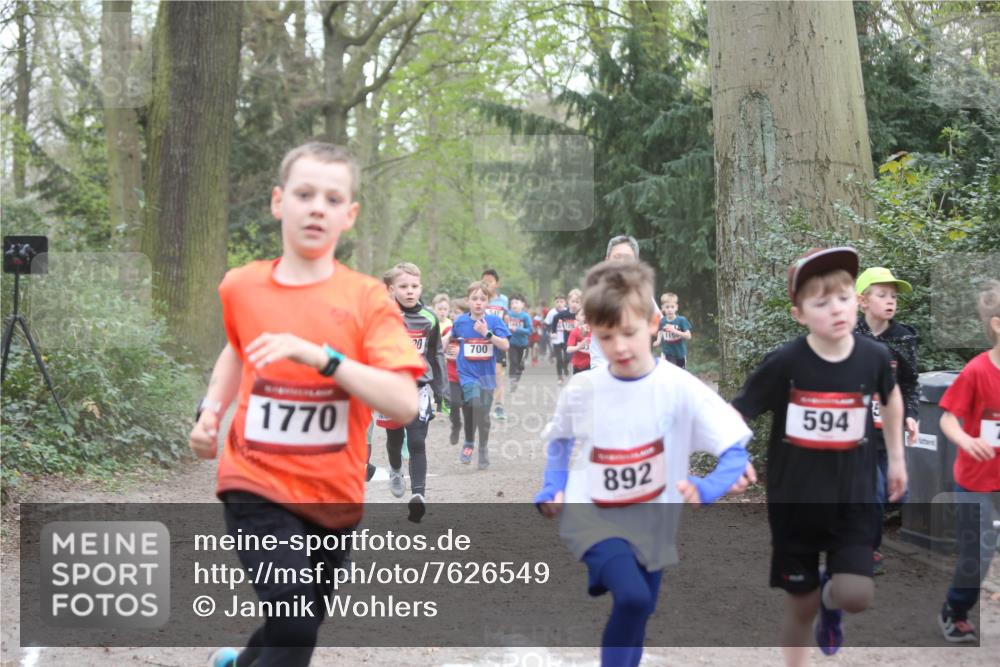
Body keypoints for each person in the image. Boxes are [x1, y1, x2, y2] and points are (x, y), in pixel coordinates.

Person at [189, 142, 425, 667]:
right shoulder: (242, 287)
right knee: (294, 622)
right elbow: (235, 349)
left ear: (349, 214)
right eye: (304, 193)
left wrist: (324, 358)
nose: (317, 206)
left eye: (332, 197)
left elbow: (404, 402)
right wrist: (209, 410)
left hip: (333, 495)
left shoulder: (368, 301)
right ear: (279, 202)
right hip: (255, 483)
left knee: (295, 624)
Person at [535, 259, 752, 667]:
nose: (618, 347)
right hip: (593, 517)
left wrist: (709, 486)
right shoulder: (584, 388)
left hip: (653, 523)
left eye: (629, 333)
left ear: (654, 324)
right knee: (632, 598)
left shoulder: (679, 386)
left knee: (641, 608)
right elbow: (560, 442)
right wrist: (552, 488)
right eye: (605, 337)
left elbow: (734, 448)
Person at [730, 247, 906, 666]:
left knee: (855, 595)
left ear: (855, 301)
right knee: (800, 607)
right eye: (821, 303)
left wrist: (897, 458)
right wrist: (734, 457)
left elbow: (892, 398)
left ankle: (834, 603)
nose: (836, 309)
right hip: (796, 503)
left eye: (843, 298)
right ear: (799, 314)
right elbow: (738, 412)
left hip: (855, 497)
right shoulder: (786, 363)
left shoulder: (874, 357)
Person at [935, 279, 1000, 643]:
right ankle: (955, 609)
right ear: (997, 324)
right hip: (975, 480)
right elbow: (946, 418)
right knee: (979, 552)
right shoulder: (976, 371)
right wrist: (966, 439)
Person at [853, 267, 919, 574]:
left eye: (893, 296)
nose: (890, 301)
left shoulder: (903, 337)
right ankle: (870, 550)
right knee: (875, 492)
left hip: (888, 432)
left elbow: (909, 383)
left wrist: (912, 416)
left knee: (896, 494)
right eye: (882, 295)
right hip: (855, 431)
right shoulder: (849, 334)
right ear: (862, 301)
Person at [380, 262, 447, 523]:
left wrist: (441, 391)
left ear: (421, 287)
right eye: (404, 287)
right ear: (392, 289)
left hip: (419, 388)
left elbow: (435, 353)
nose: (410, 291)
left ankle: (418, 495)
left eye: (414, 286)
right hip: (390, 390)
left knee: (417, 441)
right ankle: (395, 469)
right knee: (395, 440)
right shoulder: (383, 316)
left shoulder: (429, 318)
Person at [452, 280, 511, 468]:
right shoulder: (460, 321)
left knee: (483, 416)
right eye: (474, 298)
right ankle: (469, 442)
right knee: (473, 404)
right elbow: (452, 338)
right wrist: (448, 347)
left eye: (482, 299)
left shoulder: (495, 321)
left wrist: (487, 334)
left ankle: (483, 447)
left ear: (488, 302)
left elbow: (505, 345)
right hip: (467, 373)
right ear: (468, 301)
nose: (478, 302)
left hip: (486, 376)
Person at [482, 269, 510, 421]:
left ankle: (499, 406)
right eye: (484, 280)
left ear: (497, 284)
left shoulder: (503, 300)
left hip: (498, 340)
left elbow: (507, 318)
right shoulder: (479, 297)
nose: (487, 283)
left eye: (490, 281)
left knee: (498, 373)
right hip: (481, 341)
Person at [656, 293, 692, 369]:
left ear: (676, 307)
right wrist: (658, 340)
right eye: (667, 307)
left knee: (681, 374)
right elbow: (660, 331)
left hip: (680, 353)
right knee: (670, 373)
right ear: (663, 308)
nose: (670, 309)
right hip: (667, 353)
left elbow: (688, 336)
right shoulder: (662, 321)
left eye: (672, 307)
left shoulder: (681, 320)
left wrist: (675, 331)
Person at [506, 294, 533, 392]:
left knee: (520, 365)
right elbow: (503, 326)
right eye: (512, 303)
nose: (514, 304)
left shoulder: (525, 316)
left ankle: (516, 380)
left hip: (524, 345)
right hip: (512, 343)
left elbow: (529, 330)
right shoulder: (508, 315)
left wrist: (517, 329)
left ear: (522, 305)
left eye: (516, 302)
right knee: (513, 362)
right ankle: (512, 380)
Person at [432, 293, 453, 415]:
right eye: (439, 309)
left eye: (445, 309)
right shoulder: (432, 323)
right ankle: (438, 401)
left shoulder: (451, 324)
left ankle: (446, 404)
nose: (442, 312)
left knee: (446, 381)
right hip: (433, 357)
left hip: (447, 358)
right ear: (434, 308)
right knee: (435, 381)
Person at [546, 295, 570, 382]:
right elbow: (547, 324)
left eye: (561, 302)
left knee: (567, 358)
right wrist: (551, 332)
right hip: (556, 339)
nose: (559, 304)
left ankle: (565, 366)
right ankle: (560, 377)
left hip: (566, 338)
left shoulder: (568, 312)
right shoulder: (551, 313)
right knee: (559, 359)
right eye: (557, 302)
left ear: (565, 303)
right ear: (554, 303)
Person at [566, 309, 591, 374]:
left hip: (592, 365)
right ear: (576, 317)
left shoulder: (594, 330)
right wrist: (579, 347)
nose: (585, 317)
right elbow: (568, 349)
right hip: (579, 365)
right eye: (582, 315)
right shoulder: (574, 332)